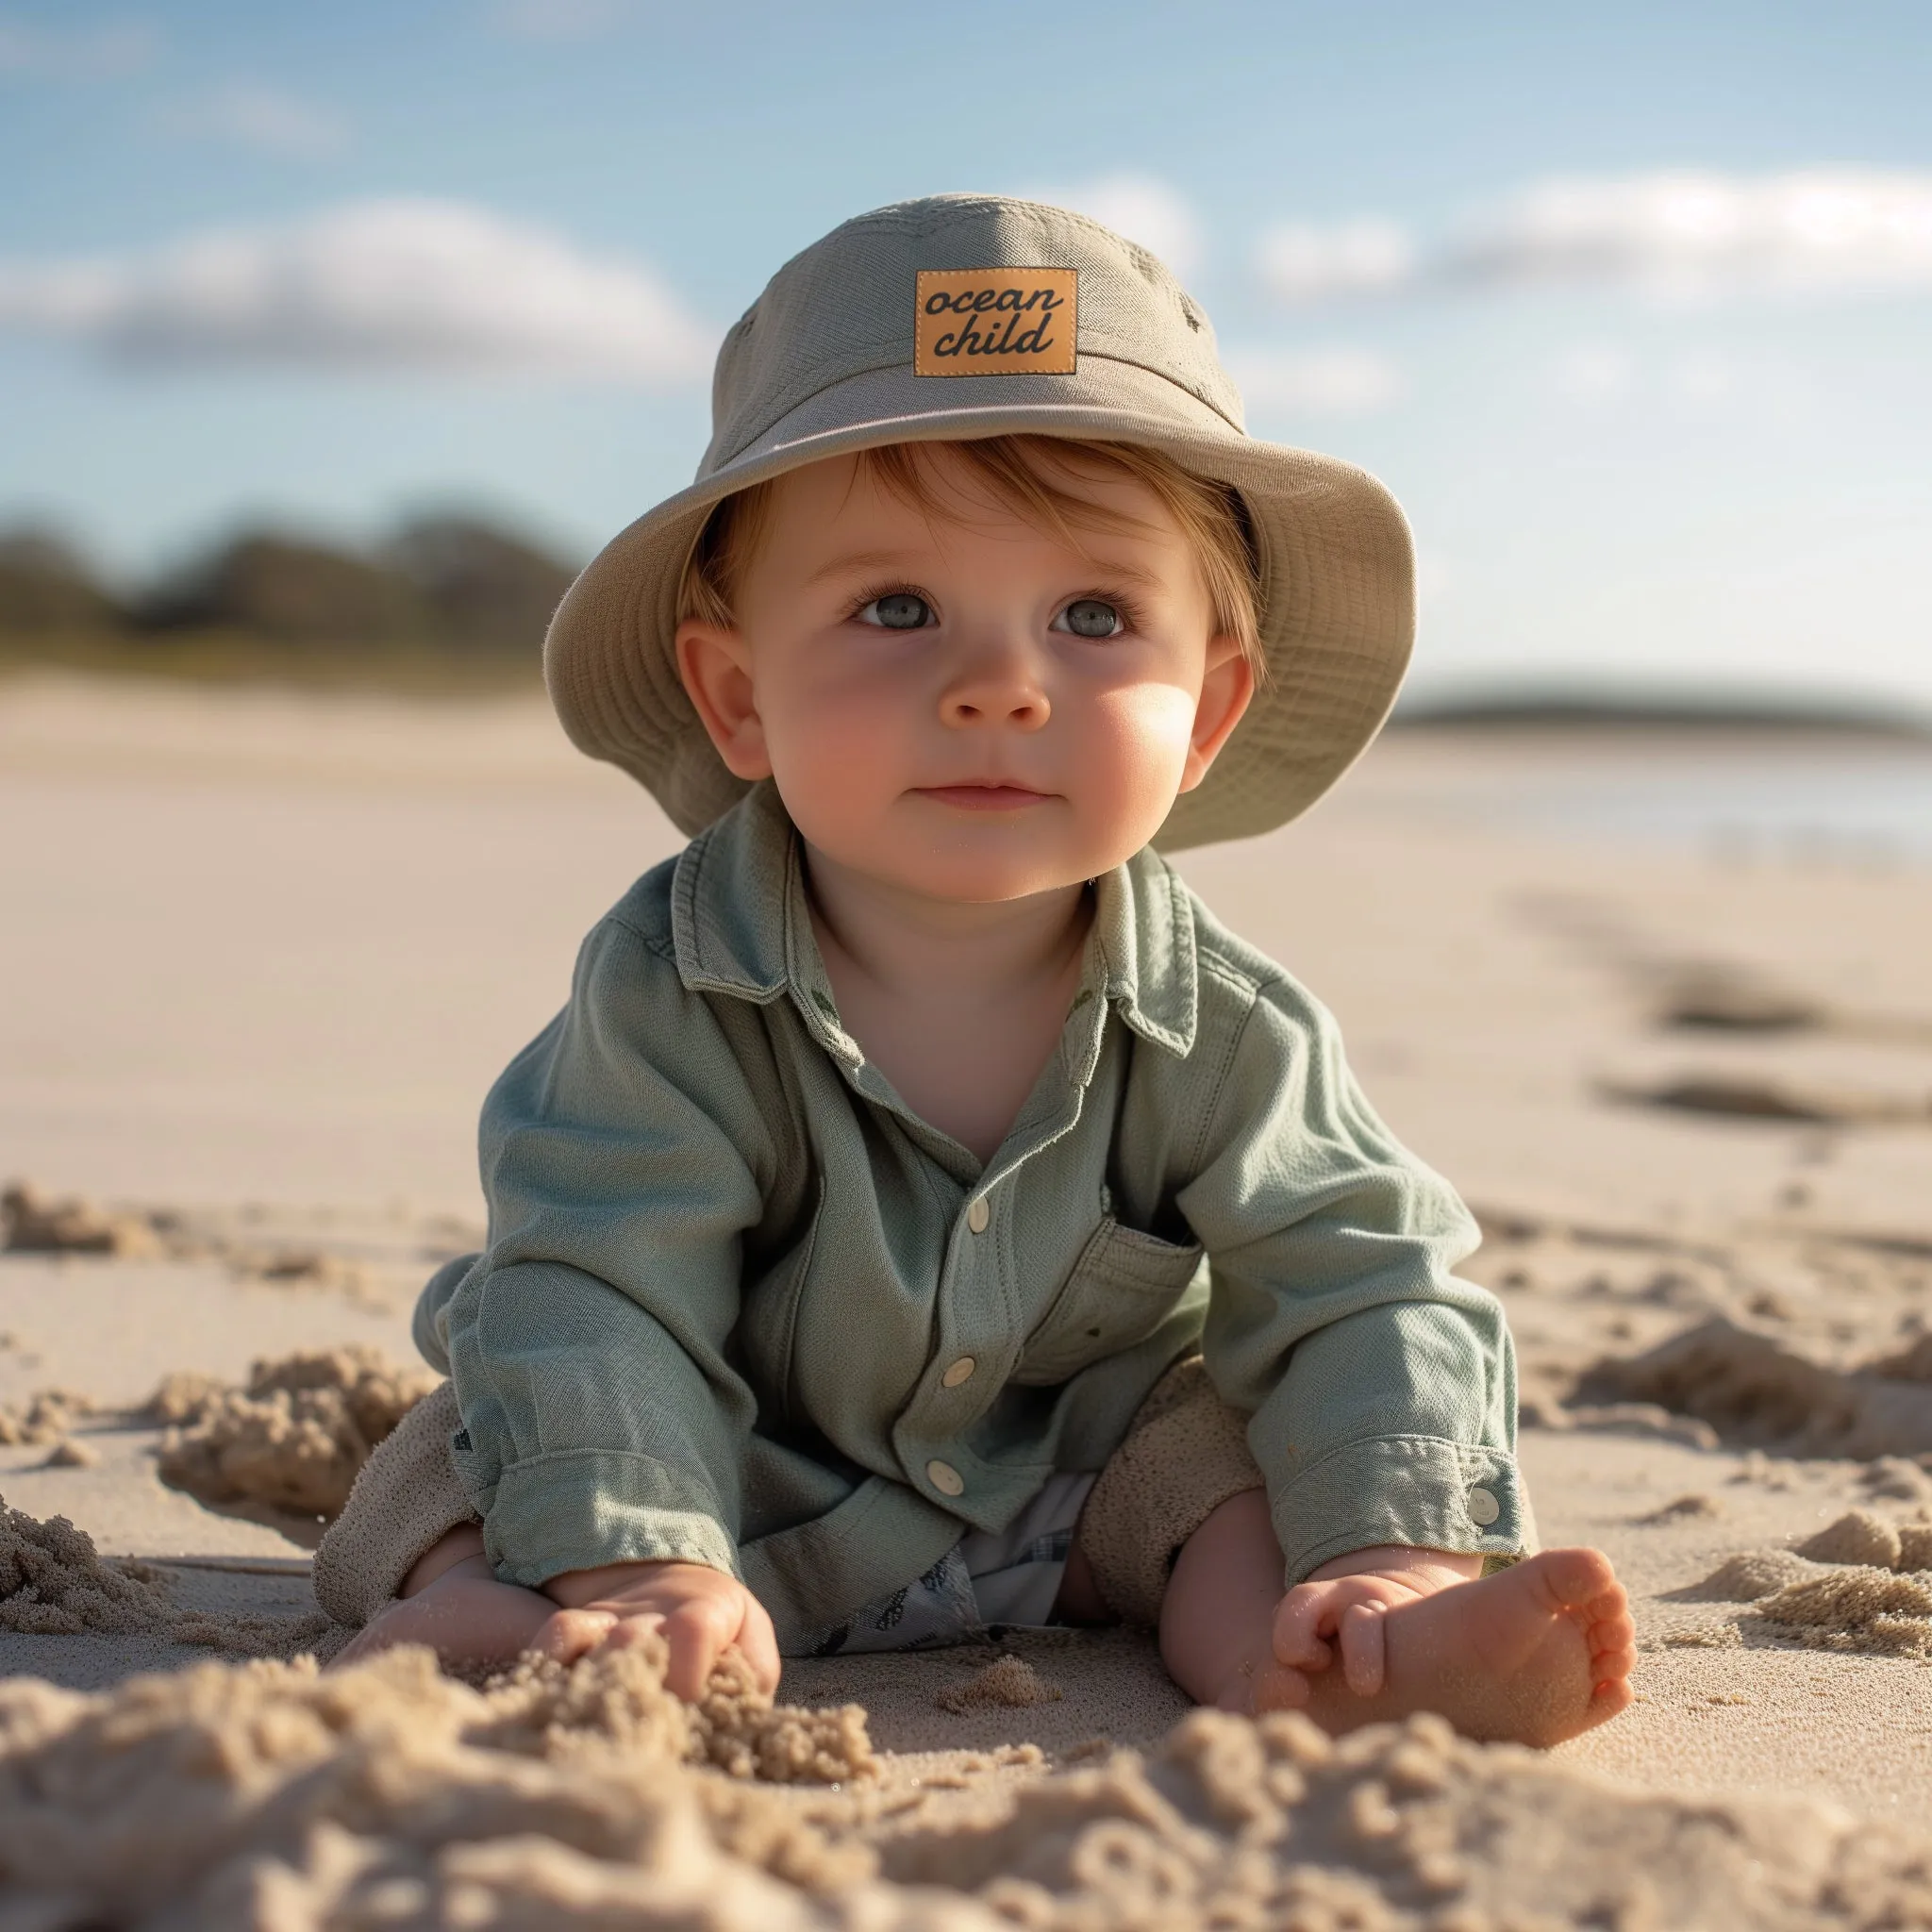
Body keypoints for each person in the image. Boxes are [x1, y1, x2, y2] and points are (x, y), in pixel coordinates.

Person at [314, 195, 1634, 1744]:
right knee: (473, 1431)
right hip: (737, 1478)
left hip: (1083, 1497)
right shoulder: (668, 990)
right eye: (896, 608)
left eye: (1092, 616)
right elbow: (599, 1281)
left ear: (1204, 714)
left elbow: (1363, 1285)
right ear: (739, 697)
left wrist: (1391, 1550)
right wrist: (640, 1556)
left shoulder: (1228, 1029)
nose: (1000, 685)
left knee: (1234, 1466)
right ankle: (538, 1617)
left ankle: (1336, 1664)